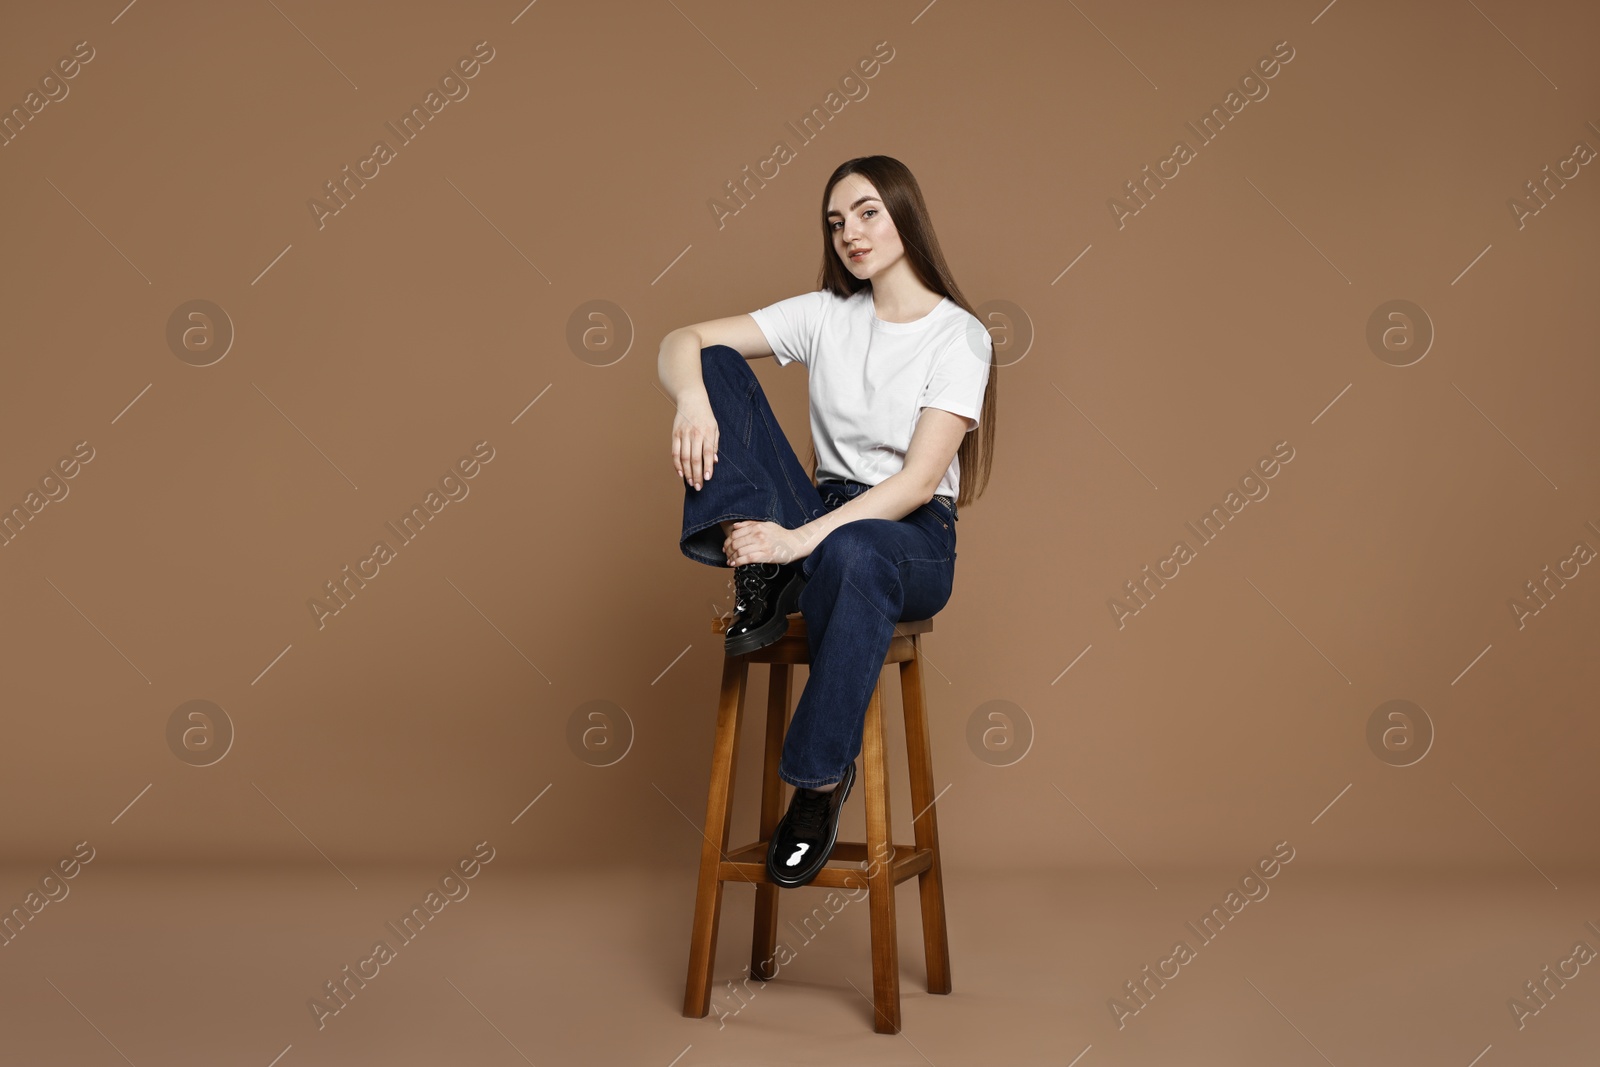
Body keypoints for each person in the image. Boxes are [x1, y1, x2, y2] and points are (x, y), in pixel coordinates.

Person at [657, 155, 997, 889]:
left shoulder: (960, 336)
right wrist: (691, 399)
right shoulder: (824, 314)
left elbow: (914, 482)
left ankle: (815, 784)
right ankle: (760, 569)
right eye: (836, 221)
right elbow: (680, 339)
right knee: (715, 363)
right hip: (822, 513)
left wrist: (796, 540)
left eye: (868, 212)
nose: (851, 232)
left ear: (906, 213)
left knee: (857, 553)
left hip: (908, 538)